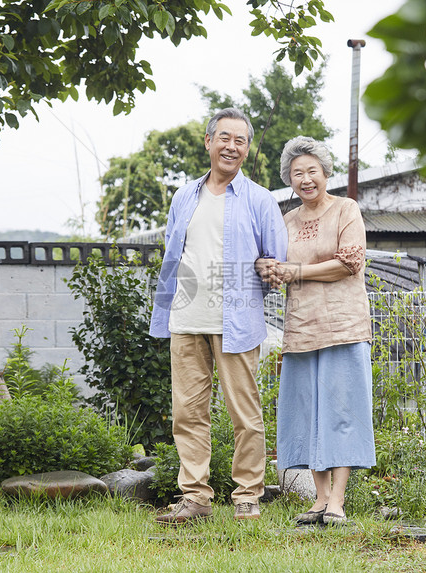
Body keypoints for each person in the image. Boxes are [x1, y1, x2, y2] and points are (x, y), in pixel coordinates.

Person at [149, 108, 288, 524]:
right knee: (187, 413)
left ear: (247, 150)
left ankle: (247, 495)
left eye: (240, 140)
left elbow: (275, 261)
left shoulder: (260, 199)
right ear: (207, 142)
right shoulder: (183, 196)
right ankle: (196, 498)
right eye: (224, 138)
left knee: (244, 414)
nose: (231, 146)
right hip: (186, 317)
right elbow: (174, 256)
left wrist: (259, 281)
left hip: (237, 321)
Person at [258, 135, 375, 526]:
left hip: (344, 326)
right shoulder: (286, 221)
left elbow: (350, 262)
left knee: (341, 411)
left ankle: (338, 501)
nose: (305, 179)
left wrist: (298, 272)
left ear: (325, 173)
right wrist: (268, 267)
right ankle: (319, 499)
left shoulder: (346, 209)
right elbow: (273, 263)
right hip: (302, 328)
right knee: (306, 413)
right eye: (297, 174)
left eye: (312, 171)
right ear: (289, 181)